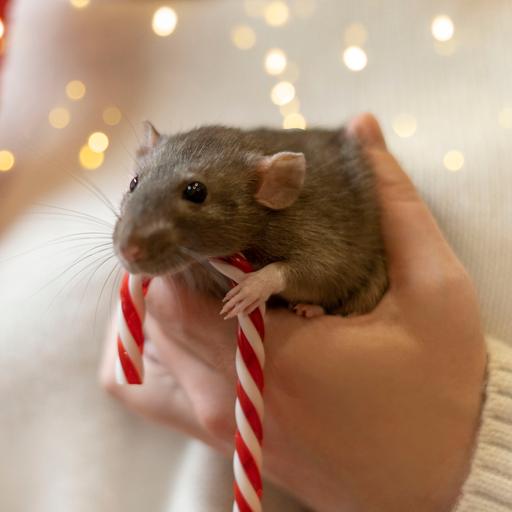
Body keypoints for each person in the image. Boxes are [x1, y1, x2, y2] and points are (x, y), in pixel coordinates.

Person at [101, 114, 512, 512]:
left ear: (273, 185)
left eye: (194, 194)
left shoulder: (293, 214)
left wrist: (444, 475)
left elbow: (337, 266)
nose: (130, 245)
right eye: (136, 182)